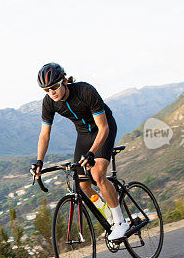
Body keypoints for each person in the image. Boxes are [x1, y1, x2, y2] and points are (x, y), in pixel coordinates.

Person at [31, 62, 129, 240]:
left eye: (54, 86)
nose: (51, 92)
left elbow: (103, 127)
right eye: (46, 90)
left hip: (103, 129)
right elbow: (44, 135)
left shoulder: (85, 91)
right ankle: (108, 213)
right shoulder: (49, 103)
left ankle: (121, 221)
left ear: (64, 81)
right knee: (83, 185)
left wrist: (93, 153)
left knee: (98, 175)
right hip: (83, 134)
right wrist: (39, 161)